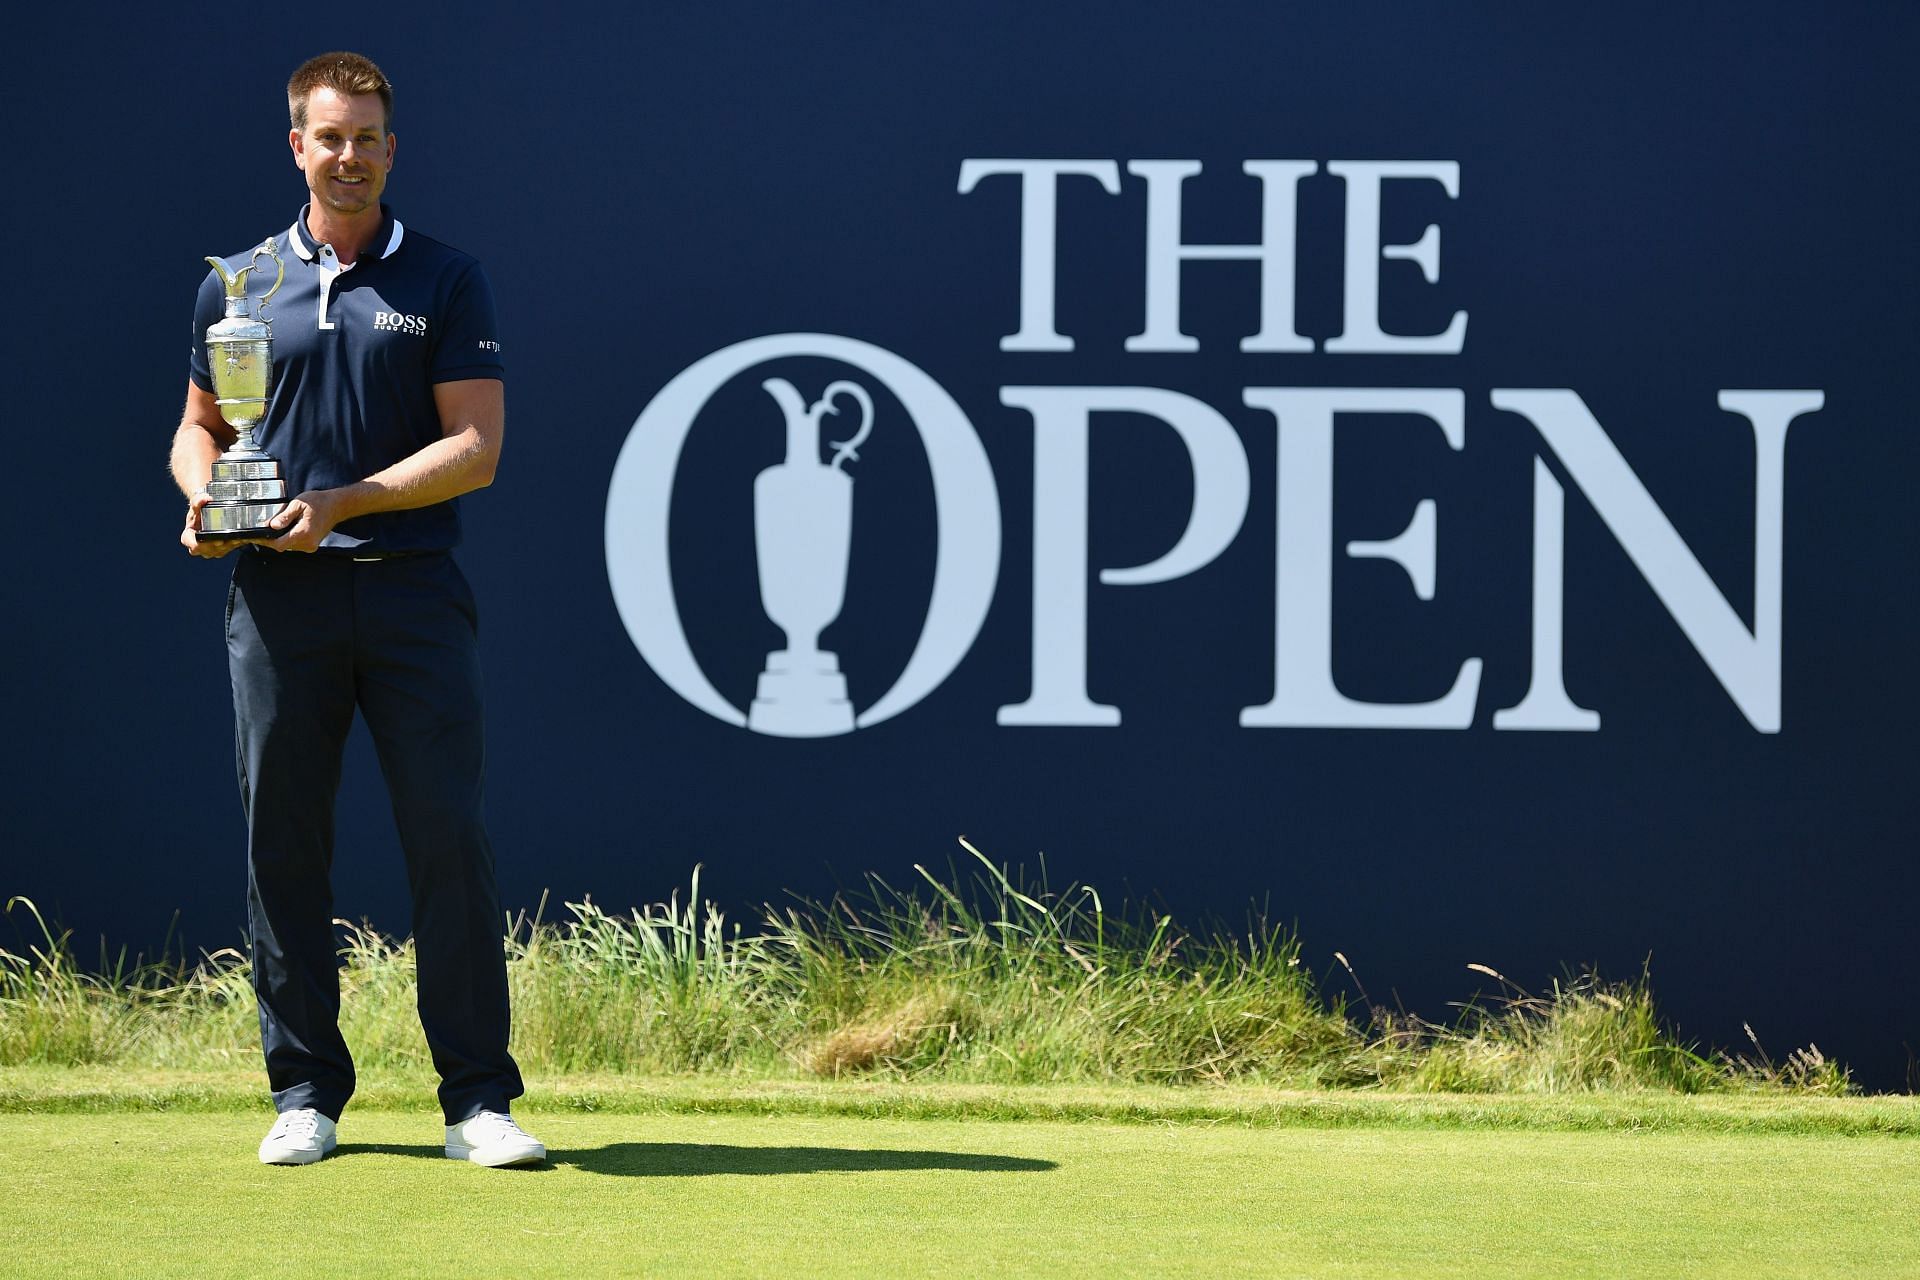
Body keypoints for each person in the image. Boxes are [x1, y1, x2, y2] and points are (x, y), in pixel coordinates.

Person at [169, 51, 542, 1169]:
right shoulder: (235, 284)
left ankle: (476, 1098)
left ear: (391, 148)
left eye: (368, 137)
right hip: (278, 603)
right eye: (329, 136)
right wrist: (204, 501)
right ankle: (303, 1090)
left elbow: (477, 446)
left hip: (412, 594)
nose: (349, 155)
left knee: (447, 839)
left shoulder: (443, 277)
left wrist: (346, 503)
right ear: (298, 145)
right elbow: (201, 428)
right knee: (281, 841)